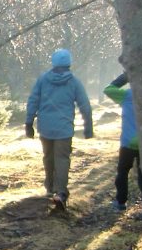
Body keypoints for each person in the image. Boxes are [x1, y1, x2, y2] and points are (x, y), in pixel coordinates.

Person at [25, 48, 92, 210]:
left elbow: (33, 100)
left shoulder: (42, 80)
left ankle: (49, 187)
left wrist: (29, 123)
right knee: (62, 159)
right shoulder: (74, 82)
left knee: (48, 156)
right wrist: (88, 126)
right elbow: (84, 104)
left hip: (45, 127)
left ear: (53, 63)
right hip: (64, 128)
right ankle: (61, 192)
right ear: (69, 64)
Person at [103, 72, 142, 217]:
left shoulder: (127, 95)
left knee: (122, 172)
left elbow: (108, 89)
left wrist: (125, 77)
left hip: (128, 142)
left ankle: (120, 202)